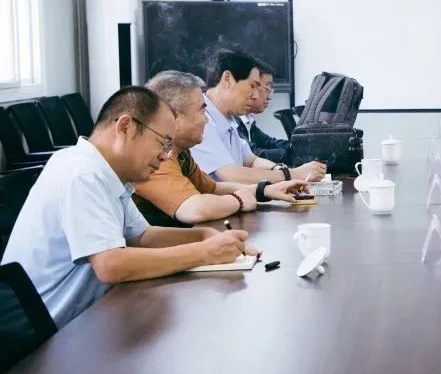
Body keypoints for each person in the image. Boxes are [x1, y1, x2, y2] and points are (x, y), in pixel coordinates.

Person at [1, 87, 259, 329]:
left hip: (83, 319)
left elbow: (143, 236)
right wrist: (204, 252)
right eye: (163, 143)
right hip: (43, 335)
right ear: (125, 127)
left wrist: (204, 235)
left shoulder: (107, 171)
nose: (165, 155)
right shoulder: (82, 174)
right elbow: (111, 265)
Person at [136, 71, 309, 226]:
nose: (205, 120)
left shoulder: (181, 153)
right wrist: (238, 200)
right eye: (201, 111)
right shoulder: (154, 156)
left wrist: (265, 190)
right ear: (173, 116)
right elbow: (195, 209)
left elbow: (213, 189)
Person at [191, 49, 325, 184]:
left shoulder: (227, 120)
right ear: (228, 79)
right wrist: (293, 174)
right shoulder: (201, 118)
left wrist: (278, 169)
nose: (256, 95)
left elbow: (251, 160)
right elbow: (231, 175)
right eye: (252, 86)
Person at [236, 60, 291, 163]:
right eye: (267, 89)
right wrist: (291, 153)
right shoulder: (232, 122)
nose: (269, 97)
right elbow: (253, 154)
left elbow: (270, 143)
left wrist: (296, 146)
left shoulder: (248, 122)